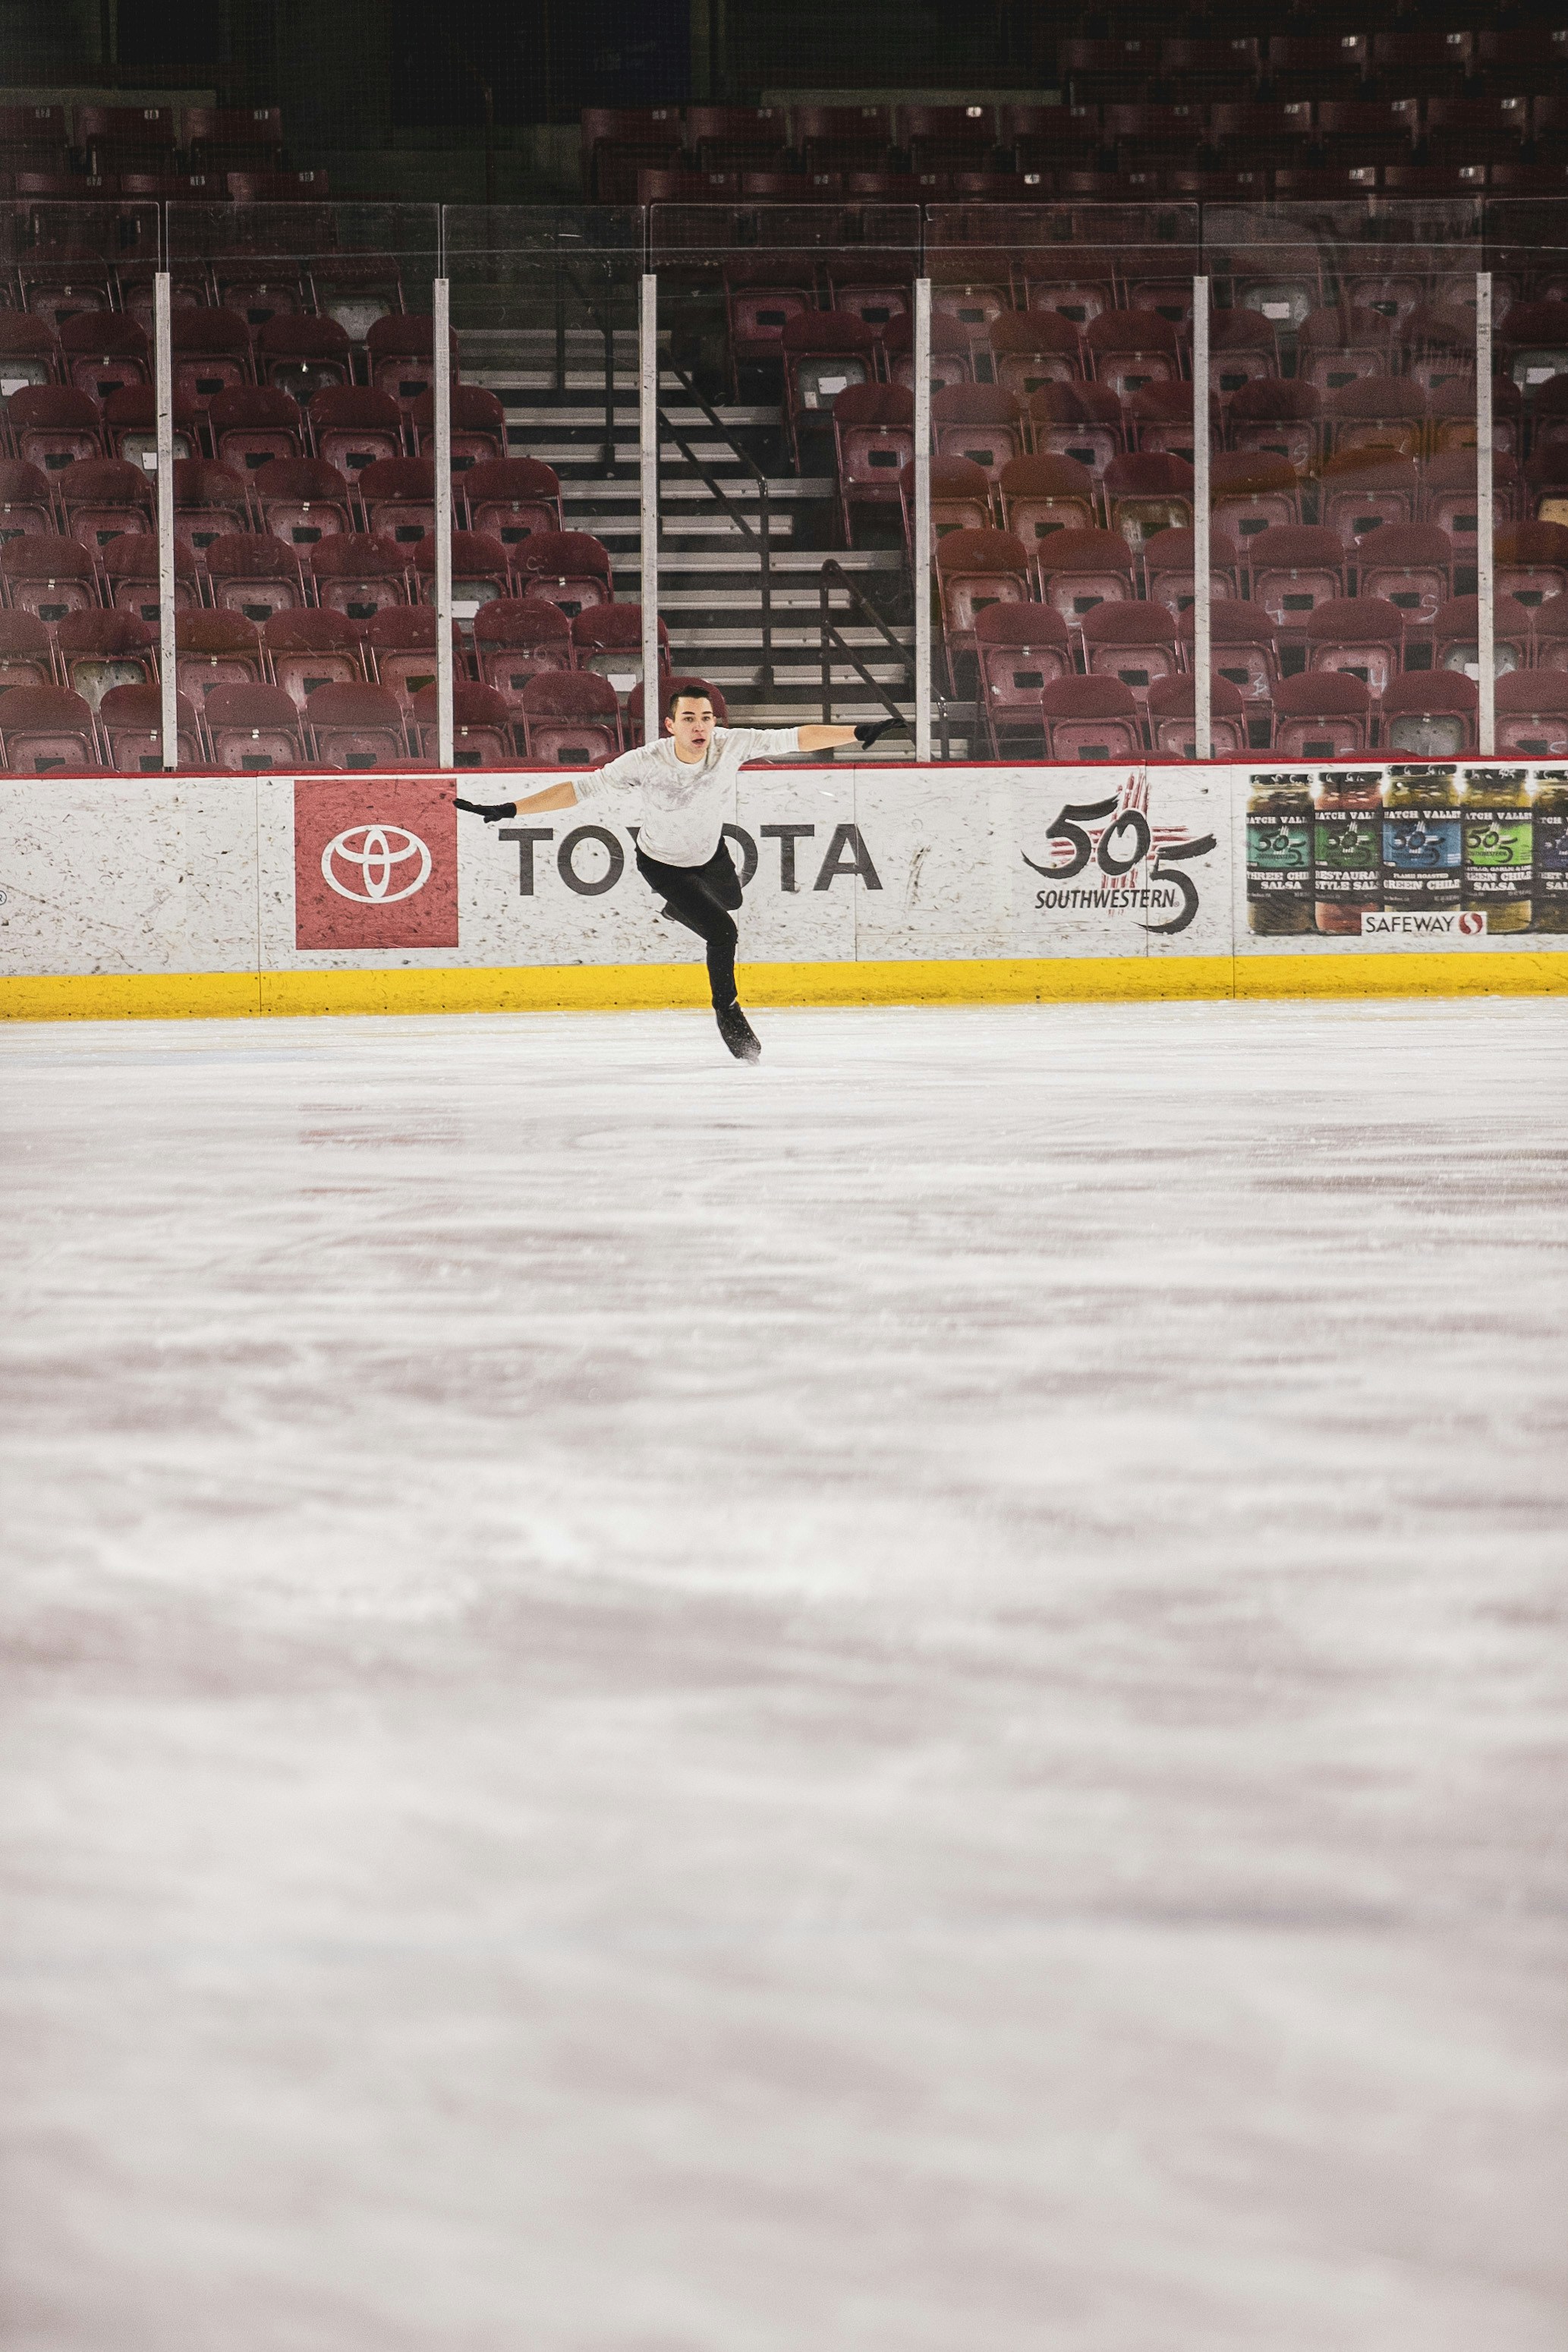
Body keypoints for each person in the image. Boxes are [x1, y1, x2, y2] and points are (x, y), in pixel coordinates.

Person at [455, 688, 894, 1062]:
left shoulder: (730, 744)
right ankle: (728, 1011)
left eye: (706, 717)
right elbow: (578, 789)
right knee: (722, 933)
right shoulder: (646, 761)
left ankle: (678, 911)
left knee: (732, 902)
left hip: (711, 855)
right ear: (670, 725)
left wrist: (855, 733)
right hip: (662, 863)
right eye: (689, 718)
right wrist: (511, 809)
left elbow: (795, 737)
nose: (699, 726)